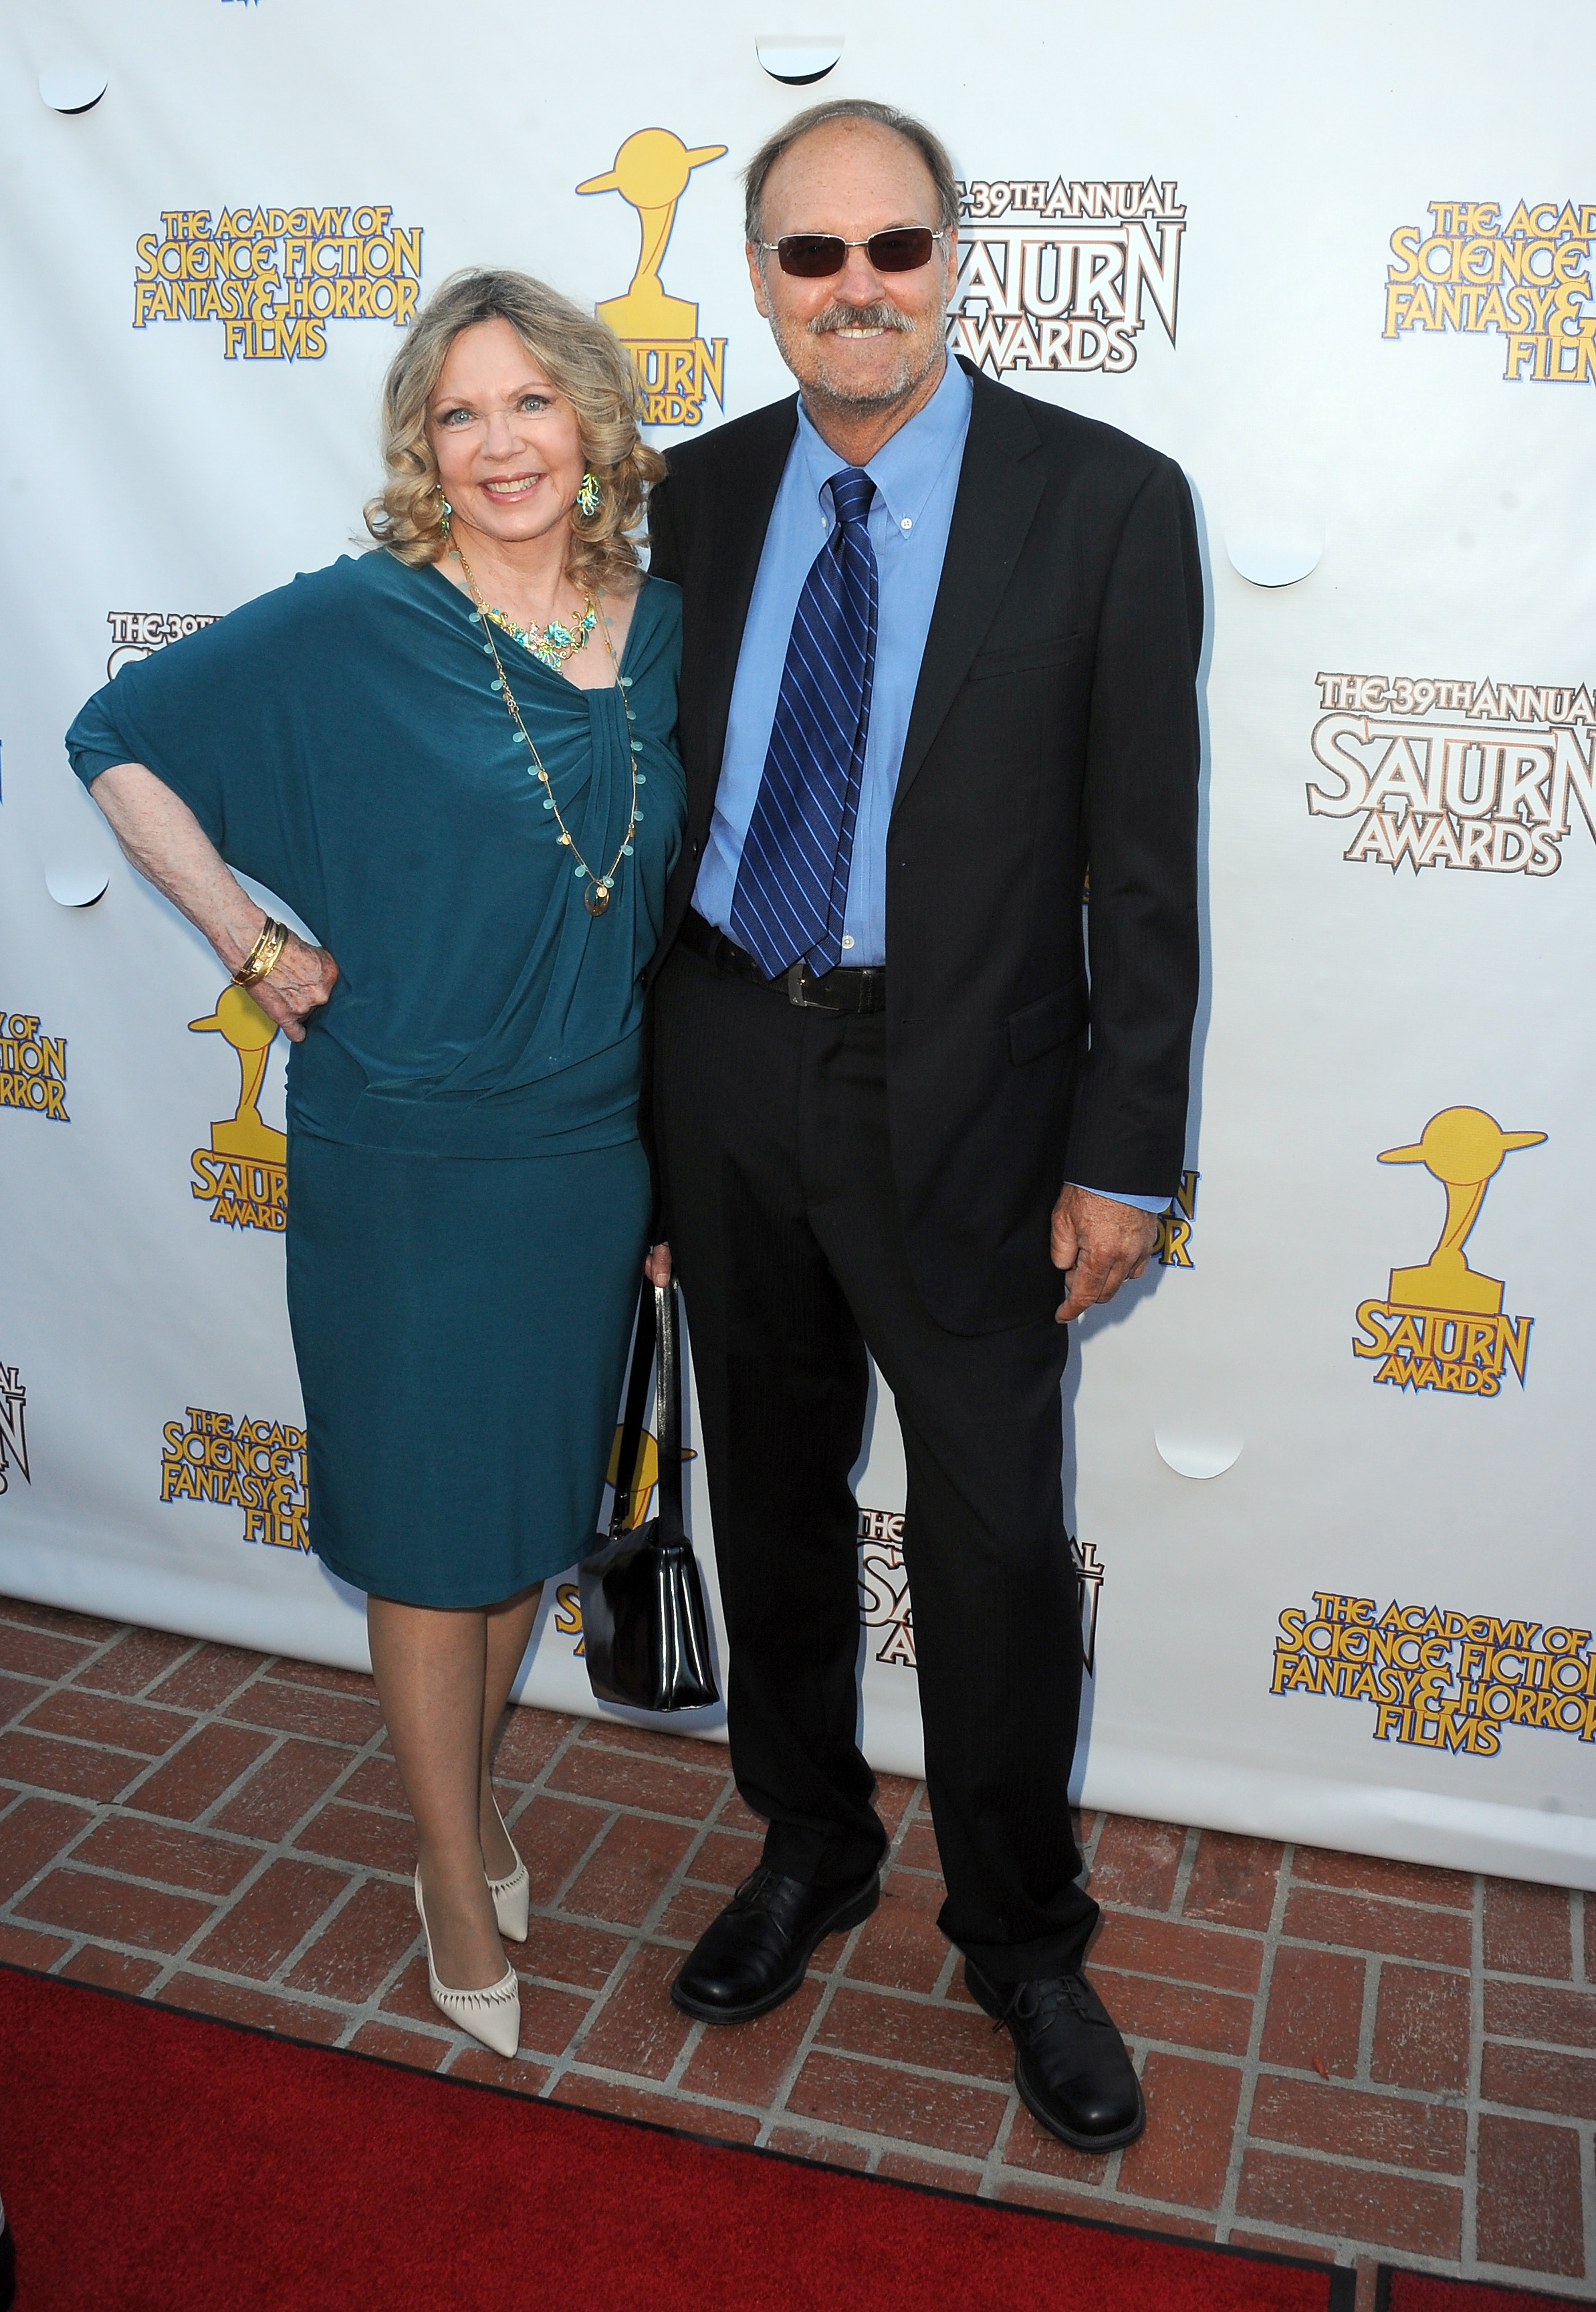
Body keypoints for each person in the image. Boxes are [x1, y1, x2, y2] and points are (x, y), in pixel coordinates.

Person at [644, 100, 1201, 2151]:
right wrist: (641, 1138)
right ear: (764, 277)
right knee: (769, 1491)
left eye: (893, 247)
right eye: (812, 255)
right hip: (719, 1057)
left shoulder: (1104, 499)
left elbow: (1143, 864)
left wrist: (1123, 1150)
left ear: (955, 256)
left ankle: (1021, 1932)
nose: (856, 288)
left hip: (966, 1087)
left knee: (984, 1541)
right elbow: (642, 834)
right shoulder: (688, 497)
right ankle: (806, 1837)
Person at [67, 270, 685, 2059]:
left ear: (590, 421)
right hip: (405, 1145)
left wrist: (666, 1174)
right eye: (459, 414)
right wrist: (252, 942)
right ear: (426, 446)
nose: (499, 444)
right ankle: (441, 1860)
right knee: (430, 1541)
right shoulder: (361, 620)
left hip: (586, 1150)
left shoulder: (662, 627)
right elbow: (116, 739)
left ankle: (472, 1802)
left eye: (529, 405)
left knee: (517, 1532)